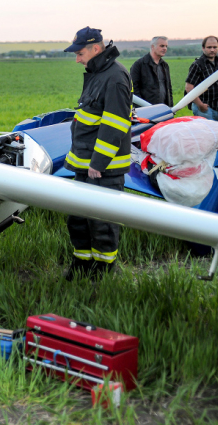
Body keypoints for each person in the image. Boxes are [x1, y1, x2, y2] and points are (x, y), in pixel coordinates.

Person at [62, 27, 133, 281]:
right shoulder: (98, 73)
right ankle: (82, 265)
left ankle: (102, 272)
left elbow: (115, 125)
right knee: (78, 219)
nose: (77, 59)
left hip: (103, 168)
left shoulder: (115, 77)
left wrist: (99, 163)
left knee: (102, 223)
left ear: (95, 49)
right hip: (84, 164)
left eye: (80, 53)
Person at [185, 36, 218, 121]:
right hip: (205, 109)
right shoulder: (198, 65)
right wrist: (200, 105)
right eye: (209, 47)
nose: (212, 50)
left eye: (215, 47)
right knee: (207, 133)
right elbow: (189, 87)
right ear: (203, 48)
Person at [130, 36, 173, 106]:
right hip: (146, 110)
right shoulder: (139, 65)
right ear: (153, 47)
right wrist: (141, 107)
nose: (165, 48)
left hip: (164, 108)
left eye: (166, 46)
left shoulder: (164, 65)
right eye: (162, 46)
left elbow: (169, 88)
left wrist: (170, 107)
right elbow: (133, 88)